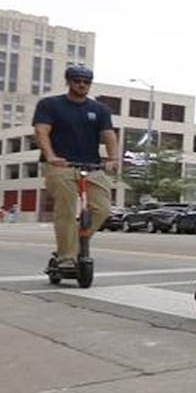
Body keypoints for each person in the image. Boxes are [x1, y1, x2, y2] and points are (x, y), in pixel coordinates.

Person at [32, 64, 119, 269]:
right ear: (68, 81)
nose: (82, 85)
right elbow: (41, 131)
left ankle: (75, 244)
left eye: (86, 82)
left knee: (103, 209)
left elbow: (109, 135)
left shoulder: (99, 109)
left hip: (91, 165)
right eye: (77, 81)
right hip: (60, 165)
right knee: (66, 208)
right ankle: (66, 257)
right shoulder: (50, 105)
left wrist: (113, 158)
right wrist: (51, 156)